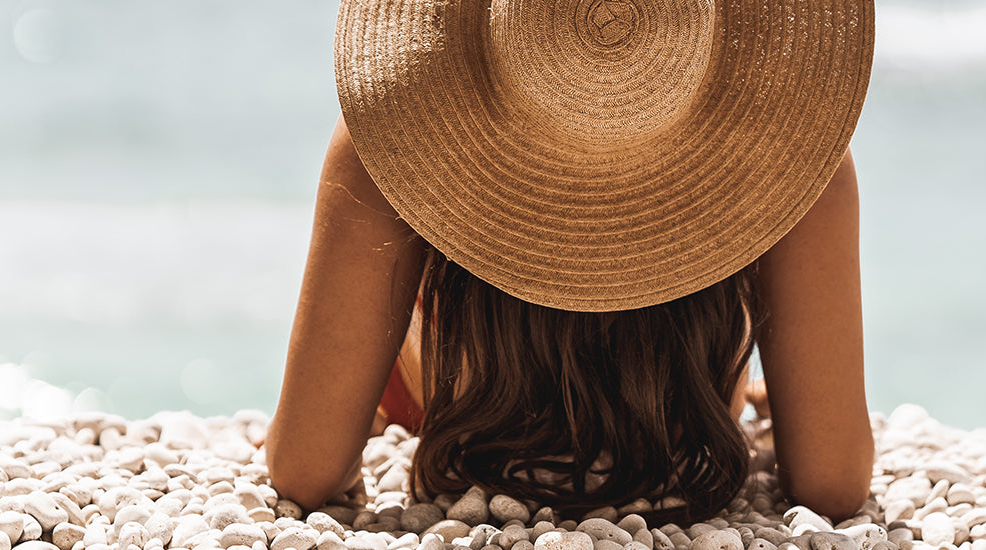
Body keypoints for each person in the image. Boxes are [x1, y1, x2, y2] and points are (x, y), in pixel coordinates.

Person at [268, 0, 876, 526]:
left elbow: (307, 473)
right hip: (682, 419)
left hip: (457, 402)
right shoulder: (800, 153)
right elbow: (831, 484)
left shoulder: (388, 121)